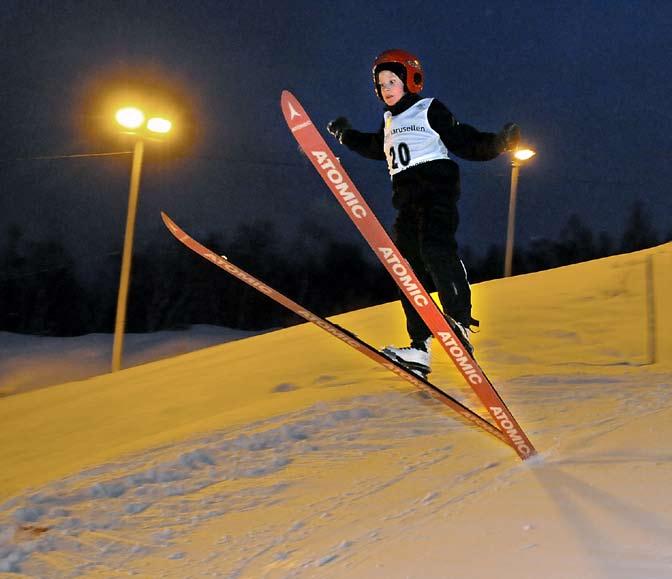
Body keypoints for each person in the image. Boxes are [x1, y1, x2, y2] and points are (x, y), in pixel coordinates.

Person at [327, 48, 520, 376]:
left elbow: (463, 140)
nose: (386, 88)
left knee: (435, 249)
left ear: (410, 81)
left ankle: (458, 319)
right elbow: (374, 147)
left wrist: (500, 142)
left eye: (392, 81)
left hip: (436, 194)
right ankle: (420, 347)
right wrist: (345, 135)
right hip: (406, 204)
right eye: (381, 84)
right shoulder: (389, 122)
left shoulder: (428, 109)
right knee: (407, 270)